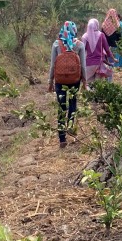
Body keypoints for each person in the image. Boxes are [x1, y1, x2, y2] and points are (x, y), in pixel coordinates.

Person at [46, 21, 87, 149]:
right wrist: (85, 81)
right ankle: (70, 128)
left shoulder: (56, 44)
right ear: (74, 31)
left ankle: (62, 138)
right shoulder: (79, 45)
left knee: (61, 107)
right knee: (73, 103)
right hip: (75, 80)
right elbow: (83, 66)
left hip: (60, 80)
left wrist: (50, 82)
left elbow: (53, 65)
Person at [82, 18, 117, 83]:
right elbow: (107, 49)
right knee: (98, 85)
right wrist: (113, 58)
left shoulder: (84, 36)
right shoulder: (101, 35)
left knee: (88, 85)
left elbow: (82, 51)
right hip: (99, 64)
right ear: (96, 25)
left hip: (88, 64)